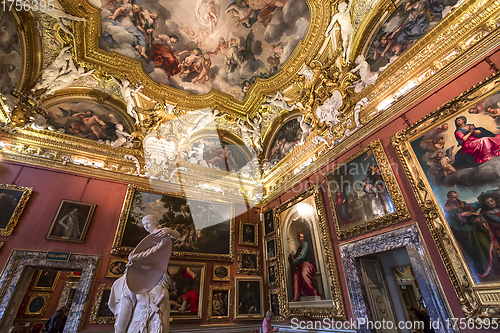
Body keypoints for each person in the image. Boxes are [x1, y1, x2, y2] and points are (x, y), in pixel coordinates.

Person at [108, 215, 180, 333]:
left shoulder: (161, 233)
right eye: (144, 224)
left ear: (155, 222)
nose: (146, 226)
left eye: (148, 223)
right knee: (121, 287)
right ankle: (122, 325)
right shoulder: (149, 239)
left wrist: (168, 231)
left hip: (156, 276)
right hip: (144, 274)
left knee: (150, 306)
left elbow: (177, 235)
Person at [444, 191, 495, 278]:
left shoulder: (463, 204)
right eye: (454, 197)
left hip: (472, 226)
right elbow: (451, 219)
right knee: (476, 246)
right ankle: (483, 268)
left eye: (457, 196)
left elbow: (471, 212)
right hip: (462, 231)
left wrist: (475, 218)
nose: (456, 199)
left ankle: (492, 264)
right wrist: (462, 214)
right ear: (449, 197)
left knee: (484, 238)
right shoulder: (447, 208)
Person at [288, 229, 321, 302]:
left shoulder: (305, 244)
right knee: (295, 277)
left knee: (304, 274)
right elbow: (297, 256)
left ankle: (314, 292)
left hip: (306, 264)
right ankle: (296, 297)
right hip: (300, 266)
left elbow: (302, 256)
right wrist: (292, 257)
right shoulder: (300, 246)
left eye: (302, 237)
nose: (301, 238)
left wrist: (295, 261)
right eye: (300, 237)